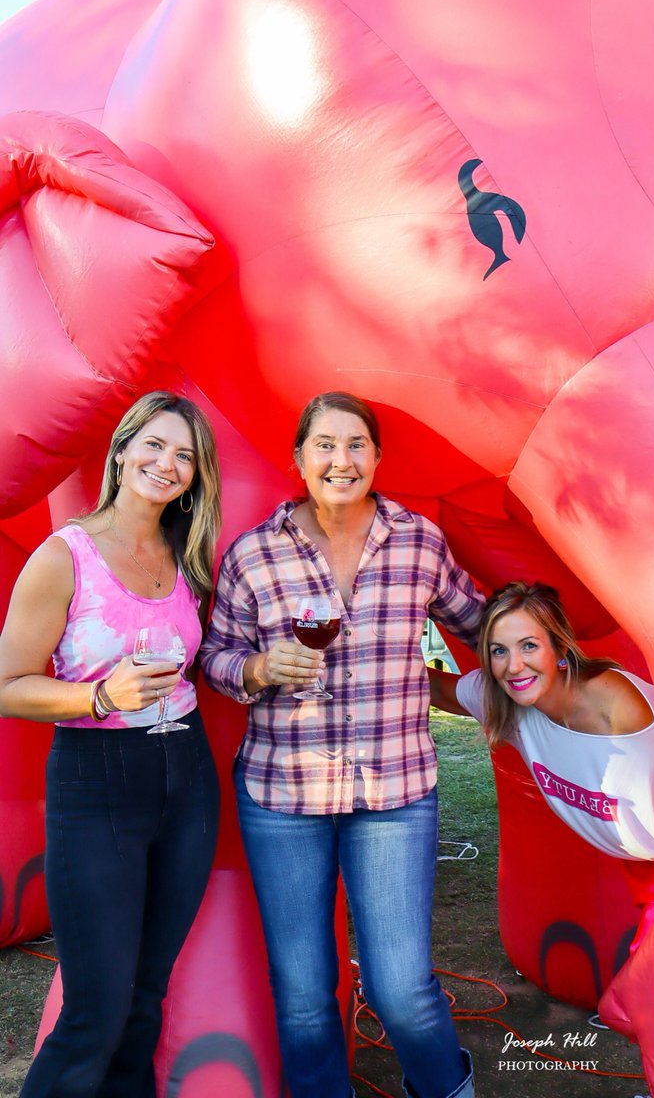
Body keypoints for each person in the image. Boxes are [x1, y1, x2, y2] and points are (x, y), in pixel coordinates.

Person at [200, 390, 484, 1098]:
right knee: (302, 995)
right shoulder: (253, 554)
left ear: (377, 458)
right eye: (324, 445)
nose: (341, 460)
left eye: (356, 444)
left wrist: (546, 652)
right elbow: (214, 656)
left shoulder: (418, 541)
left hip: (395, 792)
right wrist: (257, 668)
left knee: (402, 990)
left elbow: (479, 623)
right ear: (299, 460)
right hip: (282, 796)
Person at [429, 580, 654, 1098]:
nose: (514, 665)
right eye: (499, 651)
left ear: (559, 647)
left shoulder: (617, 704)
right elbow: (439, 690)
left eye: (529, 646)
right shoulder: (503, 699)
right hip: (647, 871)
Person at [0, 391, 222, 1098]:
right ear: (122, 451)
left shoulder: (187, 552)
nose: (167, 464)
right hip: (95, 784)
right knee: (94, 1013)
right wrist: (100, 696)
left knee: (146, 997)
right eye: (154, 445)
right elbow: (7, 684)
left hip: (186, 778)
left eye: (185, 455)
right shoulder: (63, 556)